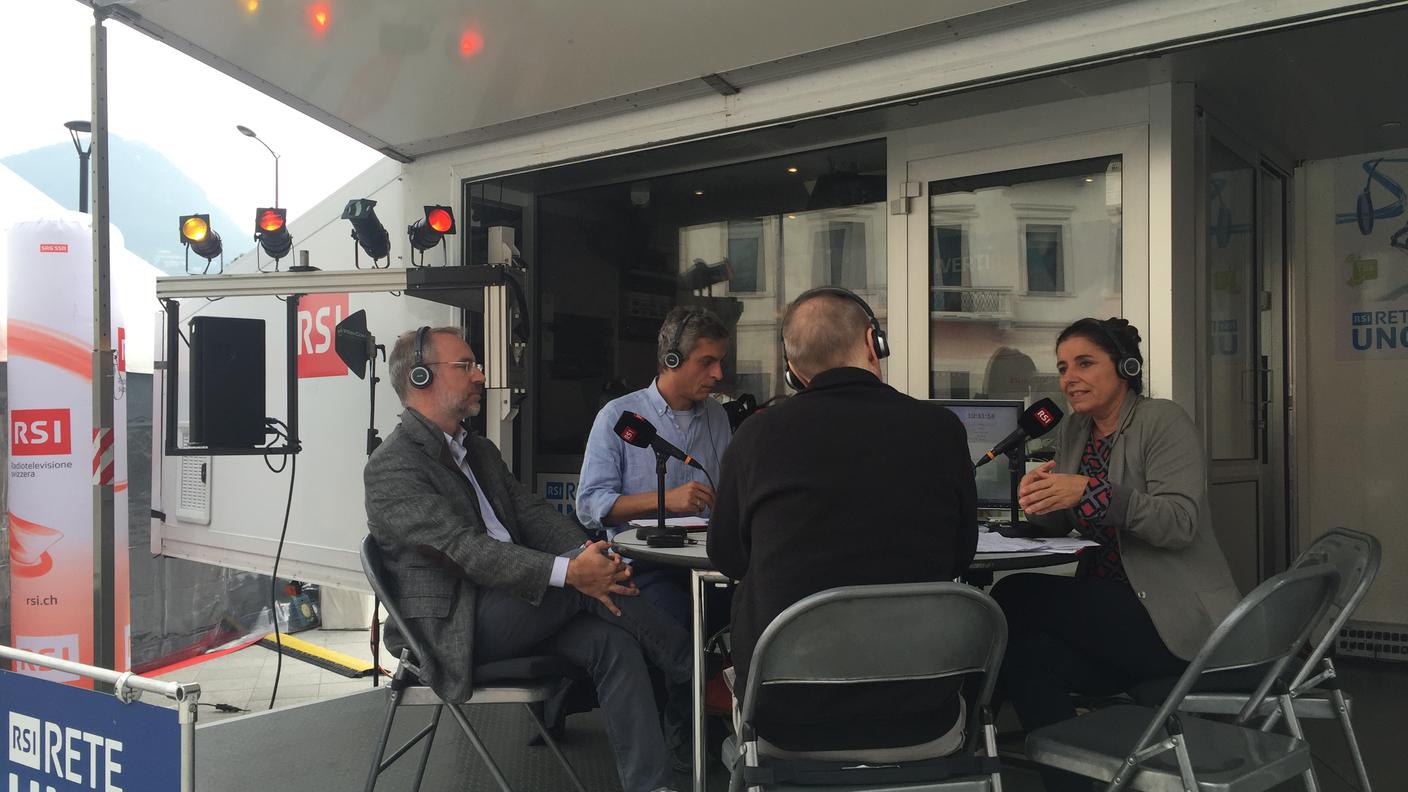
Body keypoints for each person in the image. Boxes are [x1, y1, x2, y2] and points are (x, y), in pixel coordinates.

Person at [363, 326, 690, 792]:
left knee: (610, 644)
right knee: (586, 590)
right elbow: (463, 549)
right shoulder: (392, 467)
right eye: (467, 365)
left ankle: (651, 786)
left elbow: (532, 513)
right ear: (420, 377)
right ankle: (700, 675)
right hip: (457, 626)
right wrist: (573, 573)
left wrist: (586, 553)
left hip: (518, 605)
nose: (480, 375)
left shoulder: (477, 450)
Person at [708, 287, 977, 752]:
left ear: (792, 370)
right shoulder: (941, 430)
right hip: (923, 716)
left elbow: (729, 557)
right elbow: (961, 554)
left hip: (786, 720)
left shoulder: (755, 437)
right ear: (875, 343)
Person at [991, 317, 1240, 792]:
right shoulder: (1075, 431)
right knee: (1021, 654)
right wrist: (1039, 501)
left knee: (1015, 595)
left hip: (1169, 619)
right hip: (1110, 617)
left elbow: (1179, 522)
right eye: (1063, 368)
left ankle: (961, 730)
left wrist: (1091, 491)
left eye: (1085, 363)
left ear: (1125, 367)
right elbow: (1063, 520)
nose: (1070, 379)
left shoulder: (1162, 420)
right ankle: (1074, 782)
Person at [577, 306, 733, 625]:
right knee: (683, 621)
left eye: (720, 362)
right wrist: (666, 500)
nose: (718, 374)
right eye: (706, 362)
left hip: (707, 564)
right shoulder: (618, 416)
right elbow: (590, 505)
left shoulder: (717, 416)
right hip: (643, 568)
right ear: (672, 360)